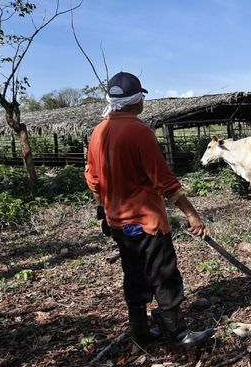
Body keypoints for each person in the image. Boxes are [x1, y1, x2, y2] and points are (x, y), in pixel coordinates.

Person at [84, 72, 214, 349]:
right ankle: (178, 335)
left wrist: (102, 212)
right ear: (136, 100)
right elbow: (163, 181)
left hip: (119, 224)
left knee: (134, 274)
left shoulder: (98, 132)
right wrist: (192, 214)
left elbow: (93, 180)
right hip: (147, 222)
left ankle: (140, 332)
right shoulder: (139, 131)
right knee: (163, 274)